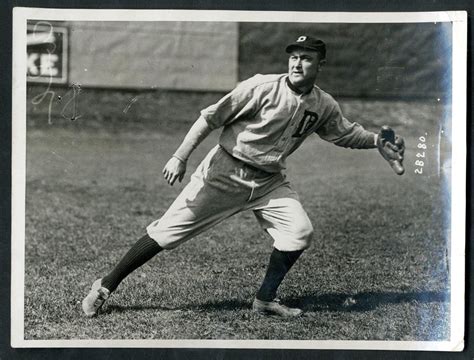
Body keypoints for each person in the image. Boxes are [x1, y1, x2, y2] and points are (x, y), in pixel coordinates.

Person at [82, 35, 405, 318]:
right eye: (293, 57)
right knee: (166, 233)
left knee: (299, 232)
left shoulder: (324, 104)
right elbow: (210, 118)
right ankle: (106, 285)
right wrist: (180, 156)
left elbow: (344, 133)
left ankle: (265, 300)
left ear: (320, 64)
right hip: (225, 172)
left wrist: (377, 141)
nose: (297, 63)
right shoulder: (261, 86)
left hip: (270, 181)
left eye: (306, 58)